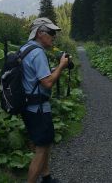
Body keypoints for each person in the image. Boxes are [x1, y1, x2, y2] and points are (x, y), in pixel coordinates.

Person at [21, 17, 70, 183]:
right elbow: (47, 83)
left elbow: (36, 77)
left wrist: (55, 69)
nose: (54, 36)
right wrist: (62, 67)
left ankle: (47, 178)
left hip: (28, 105)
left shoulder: (25, 49)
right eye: (51, 32)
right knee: (41, 149)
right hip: (39, 108)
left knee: (43, 144)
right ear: (40, 33)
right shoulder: (38, 52)